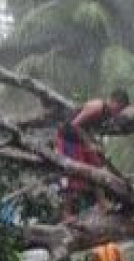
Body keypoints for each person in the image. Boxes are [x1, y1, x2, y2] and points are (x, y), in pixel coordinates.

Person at [55, 88, 129, 220]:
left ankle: (103, 203)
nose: (118, 112)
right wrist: (89, 144)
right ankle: (67, 214)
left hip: (81, 140)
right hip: (68, 139)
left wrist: (96, 146)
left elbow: (88, 128)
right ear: (113, 101)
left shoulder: (107, 113)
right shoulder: (97, 107)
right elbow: (75, 125)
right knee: (72, 176)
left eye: (121, 110)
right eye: (119, 108)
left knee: (97, 168)